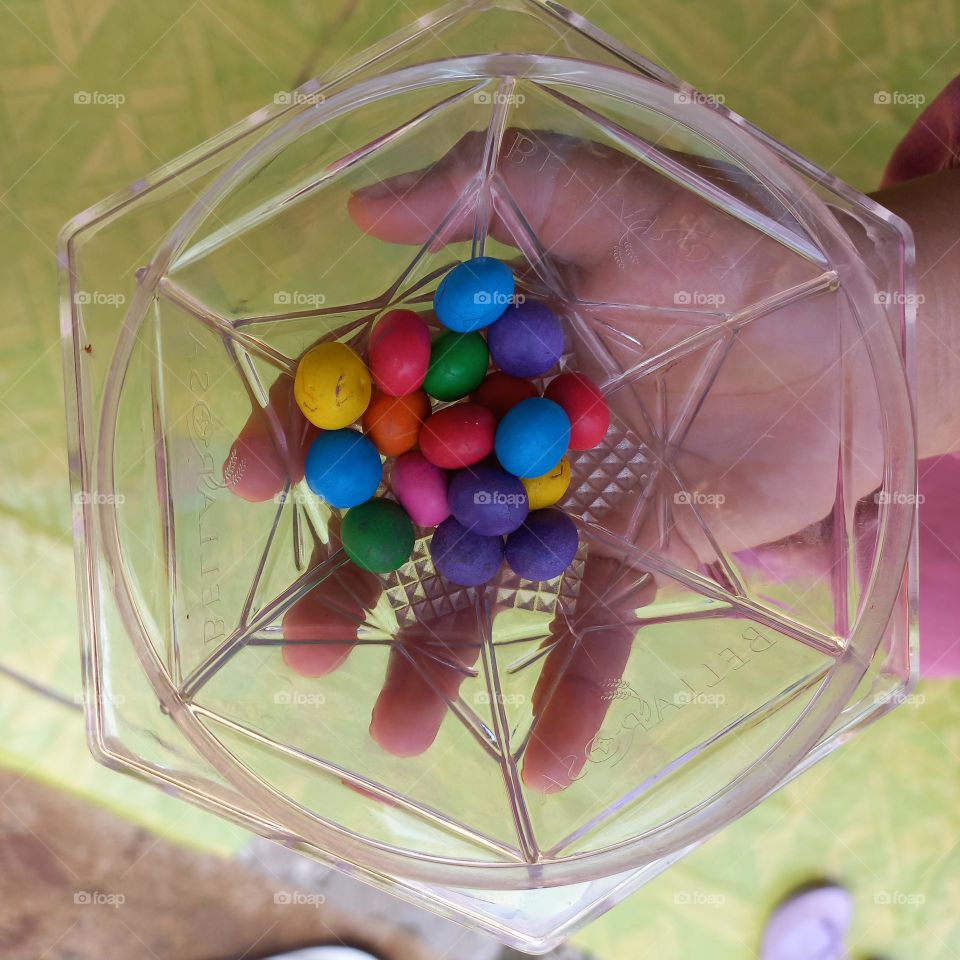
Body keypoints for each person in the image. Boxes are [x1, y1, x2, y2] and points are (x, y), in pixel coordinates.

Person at [225, 79, 960, 797]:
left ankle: (853, 507)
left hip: (877, 488)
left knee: (924, 623)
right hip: (903, 352)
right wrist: (892, 353)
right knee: (915, 615)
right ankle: (856, 483)